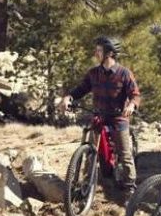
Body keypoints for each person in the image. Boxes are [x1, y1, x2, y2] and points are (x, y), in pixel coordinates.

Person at [59, 36, 140, 199]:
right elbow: (81, 89)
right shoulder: (93, 73)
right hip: (99, 116)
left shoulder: (124, 74)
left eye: (99, 50)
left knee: (124, 154)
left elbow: (135, 95)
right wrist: (68, 98)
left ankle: (129, 187)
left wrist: (131, 105)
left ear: (109, 53)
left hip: (119, 118)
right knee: (90, 152)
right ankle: (86, 184)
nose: (96, 53)